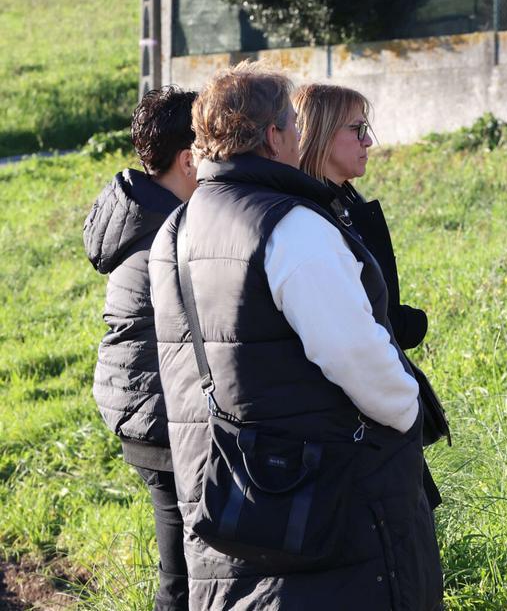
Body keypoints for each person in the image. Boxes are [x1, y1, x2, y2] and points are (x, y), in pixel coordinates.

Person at [147, 61, 442, 609]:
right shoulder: (288, 224)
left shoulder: (176, 227)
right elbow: (357, 355)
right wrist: (407, 408)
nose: (300, 136)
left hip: (225, 490)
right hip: (322, 502)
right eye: (293, 124)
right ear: (276, 135)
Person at [292, 82, 449, 495]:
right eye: (357, 130)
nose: (369, 142)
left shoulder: (343, 201)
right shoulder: (307, 216)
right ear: (322, 134)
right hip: (350, 412)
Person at [83, 86, 198, 611]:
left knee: (187, 571)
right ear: (188, 158)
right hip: (160, 417)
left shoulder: (142, 213)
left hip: (140, 407)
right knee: (183, 579)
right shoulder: (167, 231)